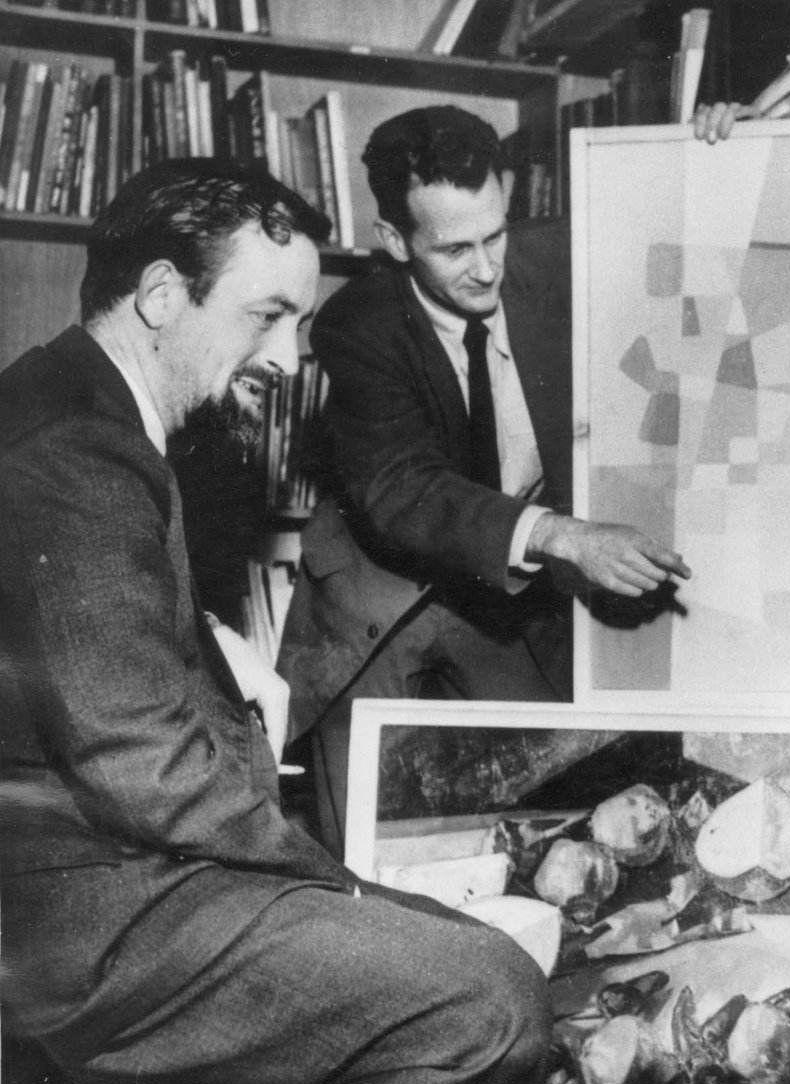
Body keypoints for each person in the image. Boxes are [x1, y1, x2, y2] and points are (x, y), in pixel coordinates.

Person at [0, 157, 550, 1084]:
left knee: (442, 949)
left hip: (86, 883)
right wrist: (335, 881)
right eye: (267, 317)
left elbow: (79, 621)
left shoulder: (59, 397)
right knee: (489, 997)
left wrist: (210, 637)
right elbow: (147, 767)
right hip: (83, 924)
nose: (290, 358)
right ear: (161, 296)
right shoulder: (83, 453)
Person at [276, 105, 693, 855]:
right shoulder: (356, 325)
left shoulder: (559, 259)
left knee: (542, 822)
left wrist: (732, 127)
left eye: (495, 235)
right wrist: (563, 535)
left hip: (508, 597)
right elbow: (403, 487)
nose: (486, 268)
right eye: (454, 248)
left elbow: (686, 216)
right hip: (379, 600)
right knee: (366, 854)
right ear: (395, 241)